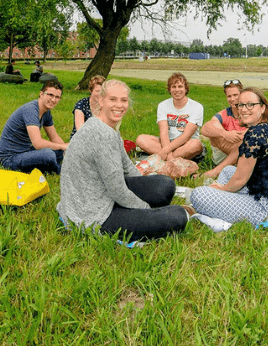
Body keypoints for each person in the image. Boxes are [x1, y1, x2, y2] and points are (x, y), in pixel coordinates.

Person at [57, 79, 190, 241]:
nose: (119, 105)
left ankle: (141, 211)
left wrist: (147, 188)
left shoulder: (106, 127)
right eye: (113, 99)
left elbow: (127, 167)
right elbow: (118, 190)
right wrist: (145, 210)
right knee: (177, 216)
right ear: (101, 100)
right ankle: (145, 216)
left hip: (102, 193)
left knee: (165, 184)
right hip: (94, 215)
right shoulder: (101, 134)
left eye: (124, 100)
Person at [190, 87, 268, 226]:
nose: (244, 109)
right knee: (227, 170)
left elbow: (239, 180)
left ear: (262, 108)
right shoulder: (265, 128)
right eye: (241, 105)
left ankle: (216, 207)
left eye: (251, 104)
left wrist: (221, 189)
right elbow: (241, 174)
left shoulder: (254, 135)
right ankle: (222, 205)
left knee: (198, 195)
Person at [0, 80, 68, 174]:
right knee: (49, 154)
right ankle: (62, 171)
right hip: (10, 159)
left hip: (26, 151)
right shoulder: (31, 110)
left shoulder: (46, 112)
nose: (53, 100)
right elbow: (37, 143)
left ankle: (50, 165)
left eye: (57, 97)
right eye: (50, 95)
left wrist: (67, 150)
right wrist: (62, 146)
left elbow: (54, 137)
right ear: (41, 94)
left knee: (59, 152)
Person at [135, 72, 205, 161]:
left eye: (180, 86)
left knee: (196, 144)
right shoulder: (163, 105)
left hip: (186, 144)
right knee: (141, 139)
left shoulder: (197, 107)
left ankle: (162, 158)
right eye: (173, 87)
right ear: (169, 89)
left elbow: (186, 136)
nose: (177, 90)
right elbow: (163, 133)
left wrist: (164, 152)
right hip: (166, 143)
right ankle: (172, 161)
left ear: (186, 89)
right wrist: (168, 152)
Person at [200, 79, 247, 178]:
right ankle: (225, 167)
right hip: (224, 154)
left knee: (243, 143)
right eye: (229, 96)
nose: (232, 99)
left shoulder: (248, 112)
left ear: (242, 95)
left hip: (244, 155)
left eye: (235, 95)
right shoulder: (224, 114)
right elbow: (205, 129)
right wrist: (225, 134)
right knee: (213, 126)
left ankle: (214, 172)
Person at [70, 75, 105, 140]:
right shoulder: (81, 105)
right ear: (90, 90)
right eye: (97, 91)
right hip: (81, 141)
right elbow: (80, 131)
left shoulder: (106, 106)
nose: (100, 94)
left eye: (102, 92)